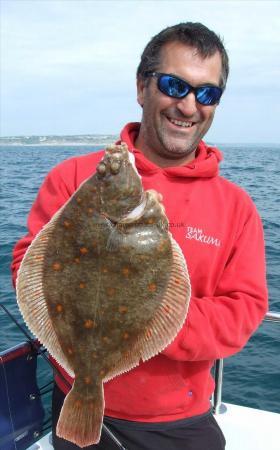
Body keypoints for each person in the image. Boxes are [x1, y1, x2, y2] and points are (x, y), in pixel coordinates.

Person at [11, 22, 268, 450]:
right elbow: (27, 265)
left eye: (207, 94)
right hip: (76, 397)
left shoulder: (237, 207)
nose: (188, 106)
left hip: (180, 422)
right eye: (173, 85)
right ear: (142, 87)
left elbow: (243, 313)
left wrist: (149, 318)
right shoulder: (74, 177)